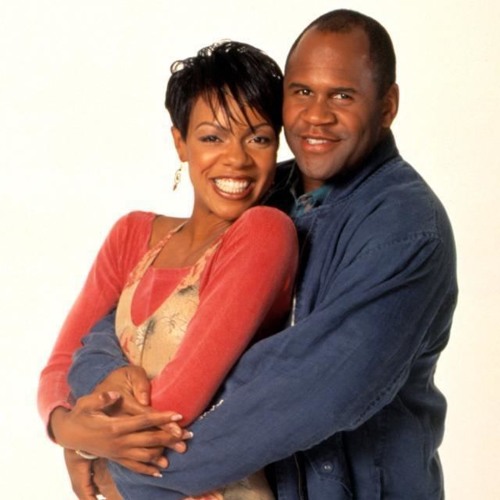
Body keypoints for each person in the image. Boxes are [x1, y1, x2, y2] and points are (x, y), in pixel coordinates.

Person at [43, 8, 458, 499]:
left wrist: (125, 467)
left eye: (342, 95)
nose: (317, 115)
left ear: (387, 106)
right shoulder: (258, 190)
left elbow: (306, 392)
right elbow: (124, 325)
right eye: (301, 92)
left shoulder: (406, 229)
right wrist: (91, 420)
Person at [37, 41, 298, 499]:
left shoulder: (265, 234)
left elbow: (177, 405)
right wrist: (67, 431)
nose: (236, 159)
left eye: (258, 138)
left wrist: (88, 440)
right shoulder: (132, 236)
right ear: (180, 142)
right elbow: (59, 367)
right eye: (212, 137)